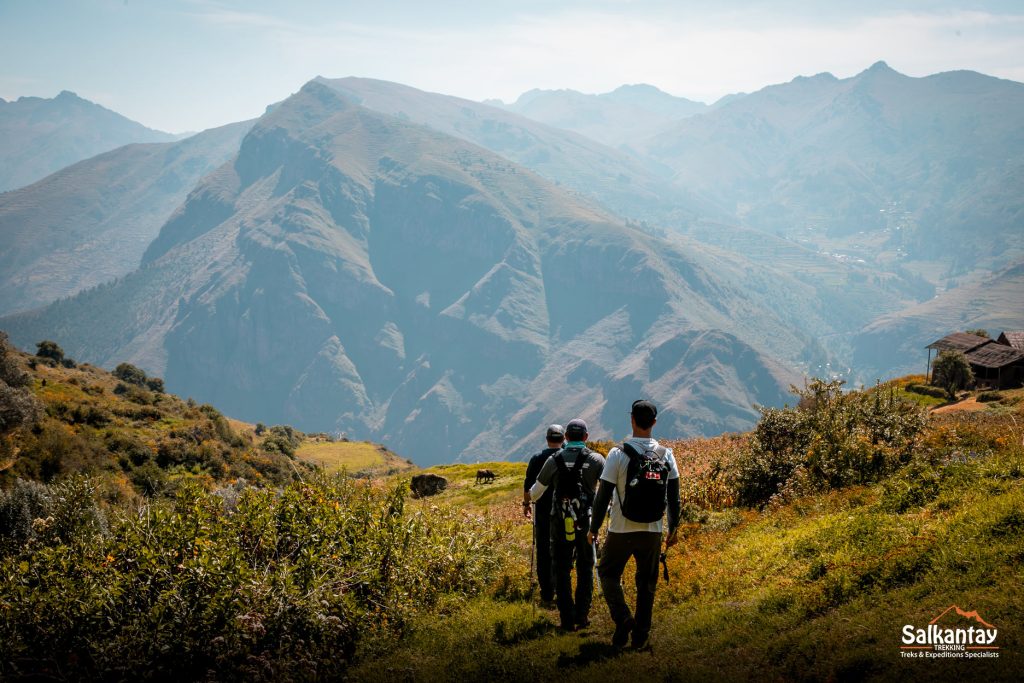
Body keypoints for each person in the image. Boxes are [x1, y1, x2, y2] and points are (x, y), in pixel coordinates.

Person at [588, 400, 681, 650]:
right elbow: (674, 497)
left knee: (607, 573)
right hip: (652, 529)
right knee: (646, 583)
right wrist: (673, 528)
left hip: (620, 529)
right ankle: (640, 636)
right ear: (654, 422)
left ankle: (623, 618)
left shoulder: (617, 454)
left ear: (632, 420)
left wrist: (593, 528)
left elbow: (603, 496)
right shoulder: (666, 454)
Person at [529, 419, 605, 632]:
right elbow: (609, 489)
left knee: (561, 568)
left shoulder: (554, 460)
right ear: (586, 437)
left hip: (559, 522)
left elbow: (536, 492)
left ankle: (566, 617)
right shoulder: (597, 460)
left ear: (567, 438)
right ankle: (582, 615)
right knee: (585, 566)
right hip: (586, 523)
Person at [522, 423, 565, 606]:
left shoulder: (537, 458)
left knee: (543, 549)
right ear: (563, 439)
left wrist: (526, 504)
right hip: (565, 511)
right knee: (562, 548)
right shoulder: (567, 456)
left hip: (542, 510)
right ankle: (561, 587)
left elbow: (528, 485)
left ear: (547, 439)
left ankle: (546, 591)